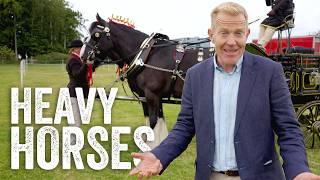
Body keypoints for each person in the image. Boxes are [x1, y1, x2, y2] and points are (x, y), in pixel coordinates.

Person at [129, 2, 320, 180]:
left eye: (238, 33)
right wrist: (159, 155)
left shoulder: (270, 71)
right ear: (211, 34)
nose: (231, 41)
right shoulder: (195, 76)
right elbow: (184, 127)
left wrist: (299, 170)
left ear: (247, 33)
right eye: (224, 33)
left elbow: (288, 130)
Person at [66, 39, 94, 144]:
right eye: (81, 48)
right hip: (74, 94)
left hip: (82, 94)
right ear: (76, 49)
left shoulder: (79, 59)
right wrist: (86, 64)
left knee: (78, 121)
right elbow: (77, 74)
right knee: (75, 123)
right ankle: (72, 145)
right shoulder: (73, 60)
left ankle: (73, 143)